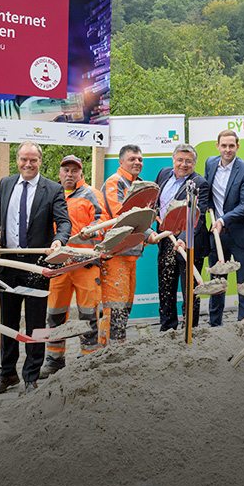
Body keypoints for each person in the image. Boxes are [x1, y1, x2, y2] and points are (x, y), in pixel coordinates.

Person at [0, 142, 71, 395]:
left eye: (33, 160)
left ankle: (31, 376)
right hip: (8, 264)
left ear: (40, 161)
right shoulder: (6, 184)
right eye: (24, 159)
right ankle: (7, 373)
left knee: (35, 323)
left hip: (36, 266)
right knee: (8, 323)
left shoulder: (53, 189)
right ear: (17, 160)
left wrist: (59, 240)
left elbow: (64, 221)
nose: (28, 164)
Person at [40, 155, 105, 377]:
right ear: (60, 173)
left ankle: (89, 356)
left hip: (86, 263)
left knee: (88, 313)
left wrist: (92, 231)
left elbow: (102, 222)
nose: (69, 174)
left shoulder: (91, 194)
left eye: (74, 171)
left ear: (81, 173)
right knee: (55, 312)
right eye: (65, 170)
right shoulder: (51, 194)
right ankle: (54, 359)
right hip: (59, 264)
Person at [151, 144, 210, 331]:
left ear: (194, 163)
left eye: (188, 161)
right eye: (180, 160)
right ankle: (167, 329)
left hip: (189, 244)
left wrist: (184, 238)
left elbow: (198, 218)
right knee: (166, 289)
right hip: (165, 240)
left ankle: (189, 331)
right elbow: (155, 200)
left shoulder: (199, 183)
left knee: (189, 292)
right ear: (173, 160)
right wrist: (153, 213)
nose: (183, 164)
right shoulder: (163, 174)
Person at [203, 129, 244, 326]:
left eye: (231, 146)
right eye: (224, 145)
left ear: (237, 147)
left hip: (241, 236)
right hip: (217, 237)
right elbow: (208, 192)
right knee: (217, 283)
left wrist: (222, 220)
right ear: (217, 146)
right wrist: (208, 210)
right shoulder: (210, 163)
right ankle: (215, 325)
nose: (227, 149)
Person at [99, 144, 147, 344]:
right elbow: (120, 214)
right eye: (132, 159)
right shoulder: (115, 182)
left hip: (130, 253)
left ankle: (118, 346)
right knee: (113, 306)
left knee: (125, 305)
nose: (137, 162)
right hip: (114, 254)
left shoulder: (141, 184)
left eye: (140, 159)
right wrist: (149, 232)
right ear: (121, 162)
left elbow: (148, 214)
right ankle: (106, 352)